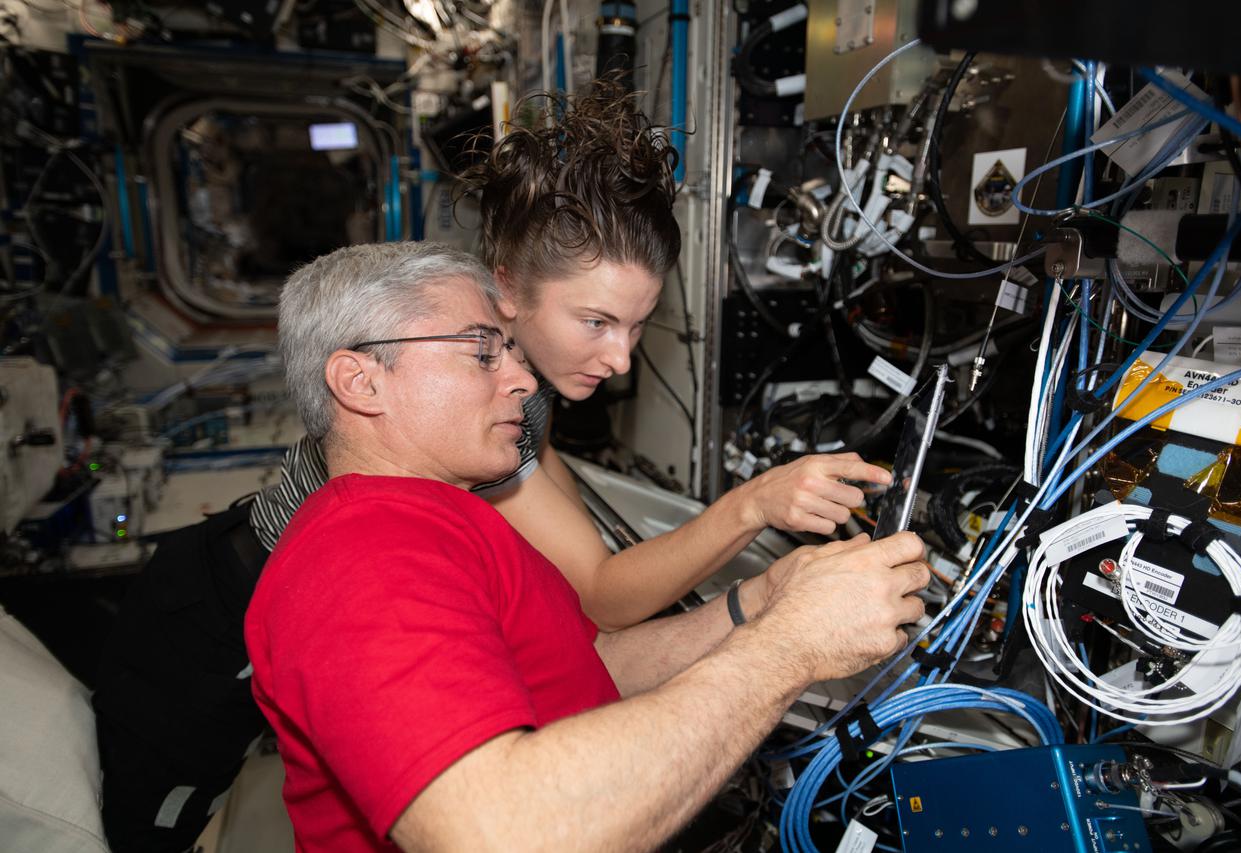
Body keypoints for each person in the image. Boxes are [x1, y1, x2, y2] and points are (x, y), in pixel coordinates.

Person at [91, 82, 887, 852]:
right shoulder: (364, 550)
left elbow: (588, 642)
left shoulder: (484, 443)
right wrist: (782, 624)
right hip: (210, 614)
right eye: (593, 321)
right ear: (505, 294)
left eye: (638, 324)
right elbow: (506, 814)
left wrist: (763, 603)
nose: (618, 357)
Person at [246, 240, 929, 852]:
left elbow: (590, 664)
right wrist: (792, 645)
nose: (517, 377)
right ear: (361, 381)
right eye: (483, 351)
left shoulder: (448, 518)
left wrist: (759, 602)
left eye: (510, 349)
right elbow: (498, 831)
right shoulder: (362, 554)